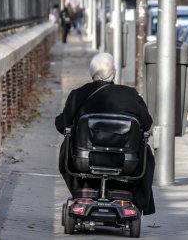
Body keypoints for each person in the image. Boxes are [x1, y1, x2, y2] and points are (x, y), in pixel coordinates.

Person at [55, 53, 156, 215]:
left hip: (85, 161)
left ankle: (83, 189)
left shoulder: (78, 94)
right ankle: (134, 197)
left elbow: (61, 125)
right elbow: (147, 124)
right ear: (114, 72)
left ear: (91, 72)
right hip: (125, 163)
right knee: (145, 149)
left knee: (67, 144)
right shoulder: (130, 95)